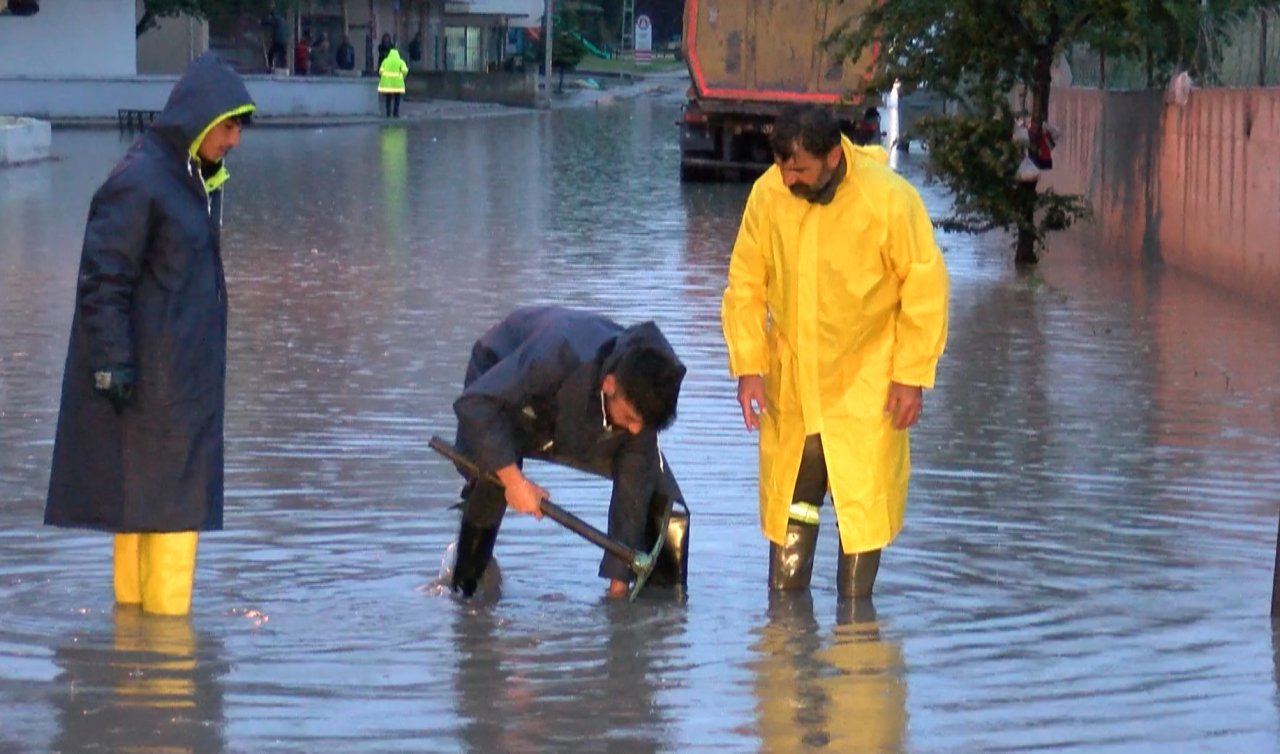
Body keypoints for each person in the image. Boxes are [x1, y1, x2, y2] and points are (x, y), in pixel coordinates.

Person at [43, 53, 256, 617]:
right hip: (159, 394)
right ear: (201, 119)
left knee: (144, 511)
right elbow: (102, 278)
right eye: (229, 127)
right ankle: (166, 668)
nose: (235, 141)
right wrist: (113, 365)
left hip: (173, 385)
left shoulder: (186, 181)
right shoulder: (144, 181)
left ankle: (135, 655)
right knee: (169, 513)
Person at [721, 104, 948, 599]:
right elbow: (745, 286)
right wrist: (749, 367)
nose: (789, 180)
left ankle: (857, 633)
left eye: (799, 169)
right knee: (791, 505)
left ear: (831, 157)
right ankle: (784, 635)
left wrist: (911, 376)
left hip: (868, 383)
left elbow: (924, 289)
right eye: (782, 167)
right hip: (794, 380)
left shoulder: (887, 200)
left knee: (861, 507)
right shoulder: (767, 195)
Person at [449, 306, 687, 600]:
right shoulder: (555, 358)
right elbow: (474, 404)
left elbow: (631, 496)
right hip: (505, 380)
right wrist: (513, 481)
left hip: (580, 414)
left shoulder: (642, 403)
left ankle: (656, 606)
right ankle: (464, 588)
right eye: (629, 419)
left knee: (653, 484)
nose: (636, 431)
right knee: (493, 474)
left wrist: (618, 590)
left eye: (644, 424)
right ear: (609, 385)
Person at [378, 46, 408, 118]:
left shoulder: (385, 61)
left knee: (388, 99)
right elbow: (405, 70)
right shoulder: (401, 61)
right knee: (397, 99)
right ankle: (396, 113)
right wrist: (402, 76)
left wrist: (385, 77)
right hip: (398, 84)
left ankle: (388, 113)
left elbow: (380, 71)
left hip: (387, 84)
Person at [261, 5, 288, 69]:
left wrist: (262, 22)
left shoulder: (276, 18)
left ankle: (270, 66)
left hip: (278, 41)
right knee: (282, 55)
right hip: (284, 41)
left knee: (271, 53)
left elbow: (268, 22)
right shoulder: (282, 19)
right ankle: (284, 66)